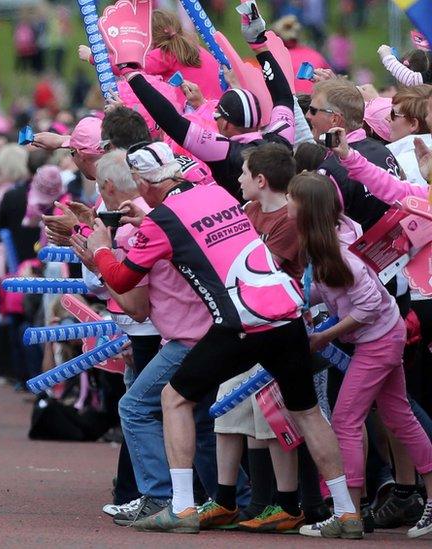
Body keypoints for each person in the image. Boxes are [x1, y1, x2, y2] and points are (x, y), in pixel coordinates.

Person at [85, 140, 358, 538]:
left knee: (174, 398)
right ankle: (348, 513)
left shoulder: (161, 220)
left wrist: (101, 251)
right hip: (286, 311)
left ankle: (180, 507)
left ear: (143, 182)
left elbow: (123, 279)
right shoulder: (213, 190)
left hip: (242, 321)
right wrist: (147, 218)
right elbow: (195, 229)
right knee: (308, 413)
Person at [289, 172, 432, 539]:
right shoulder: (330, 241)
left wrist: (324, 336)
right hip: (382, 335)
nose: (286, 204)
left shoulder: (335, 252)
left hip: (378, 339)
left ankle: (348, 513)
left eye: (292, 198)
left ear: (308, 209)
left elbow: (367, 306)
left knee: (346, 420)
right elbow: (334, 292)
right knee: (399, 416)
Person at [201, 143, 308, 532]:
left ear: (261, 180)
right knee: (227, 409)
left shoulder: (288, 221)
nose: (239, 179)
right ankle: (224, 499)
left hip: (276, 326)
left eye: (245, 173)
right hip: (242, 325)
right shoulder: (247, 211)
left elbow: (256, 268)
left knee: (271, 417)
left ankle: (286, 503)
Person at [120, 7, 295, 200]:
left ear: (226, 124)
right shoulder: (280, 139)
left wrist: (131, 73)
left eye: (216, 114)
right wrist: (259, 46)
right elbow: (284, 98)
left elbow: (173, 123)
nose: (213, 116)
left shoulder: (226, 152)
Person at [144, 9, 221, 101]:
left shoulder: (164, 53)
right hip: (219, 107)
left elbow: (131, 70)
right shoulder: (196, 49)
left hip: (195, 111)